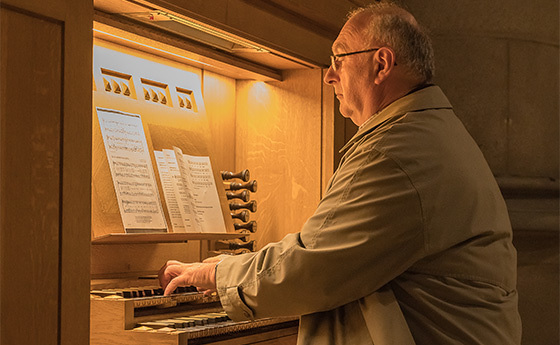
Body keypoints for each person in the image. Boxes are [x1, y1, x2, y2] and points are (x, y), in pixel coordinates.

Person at [159, 1, 522, 344]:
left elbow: (310, 266)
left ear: (381, 64)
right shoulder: (425, 132)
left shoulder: (397, 151)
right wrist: (239, 268)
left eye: (339, 59)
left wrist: (217, 274)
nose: (328, 76)